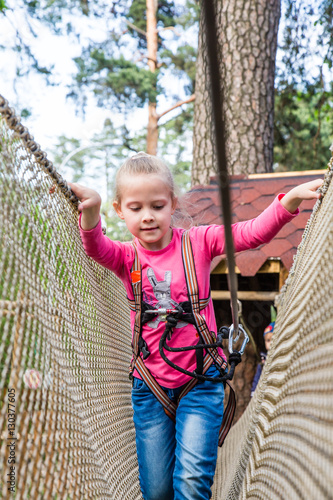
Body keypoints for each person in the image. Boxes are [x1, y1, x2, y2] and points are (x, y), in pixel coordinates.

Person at [68, 152, 322, 500]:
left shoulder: (198, 243)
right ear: (119, 210)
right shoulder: (126, 257)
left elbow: (248, 234)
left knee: (191, 482)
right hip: (150, 389)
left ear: (172, 204)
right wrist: (91, 210)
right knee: (156, 490)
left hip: (200, 384)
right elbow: (95, 247)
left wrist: (287, 202)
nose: (148, 217)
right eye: (136, 208)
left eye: (157, 206)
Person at [251, 321, 274, 397]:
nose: (270, 343)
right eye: (268, 340)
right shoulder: (263, 360)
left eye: (272, 339)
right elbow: (257, 378)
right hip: (265, 393)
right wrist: (254, 392)